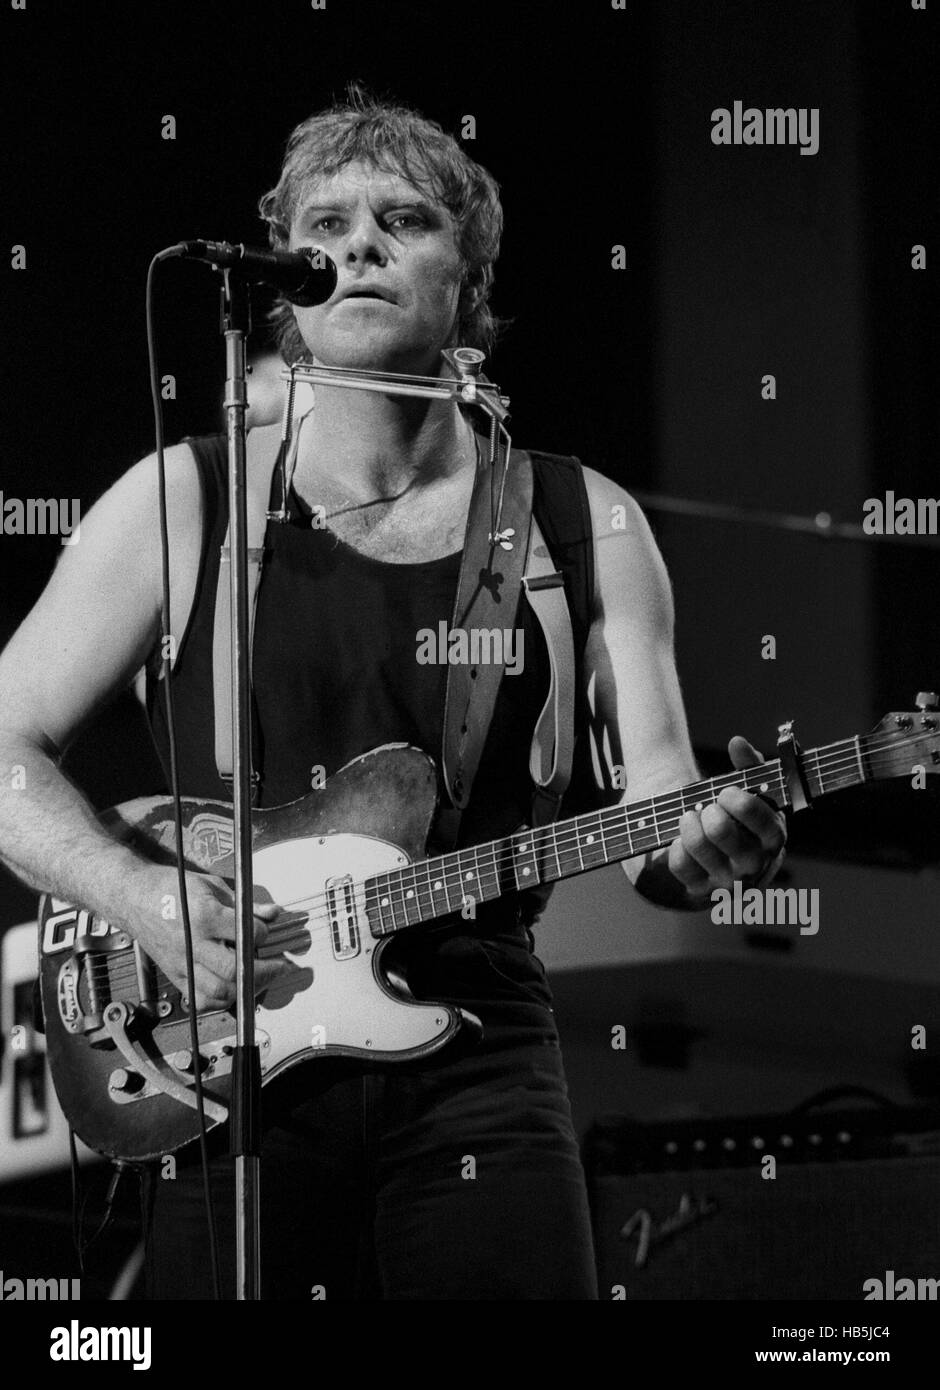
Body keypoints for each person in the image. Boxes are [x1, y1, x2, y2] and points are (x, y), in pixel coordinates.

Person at [0, 87, 785, 1300]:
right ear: (284, 273)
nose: (358, 243)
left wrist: (714, 846)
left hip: (482, 1044)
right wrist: (133, 893)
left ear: (467, 274)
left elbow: (662, 829)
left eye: (402, 218)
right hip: (226, 1041)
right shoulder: (183, 500)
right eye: (327, 220)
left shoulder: (588, 521)